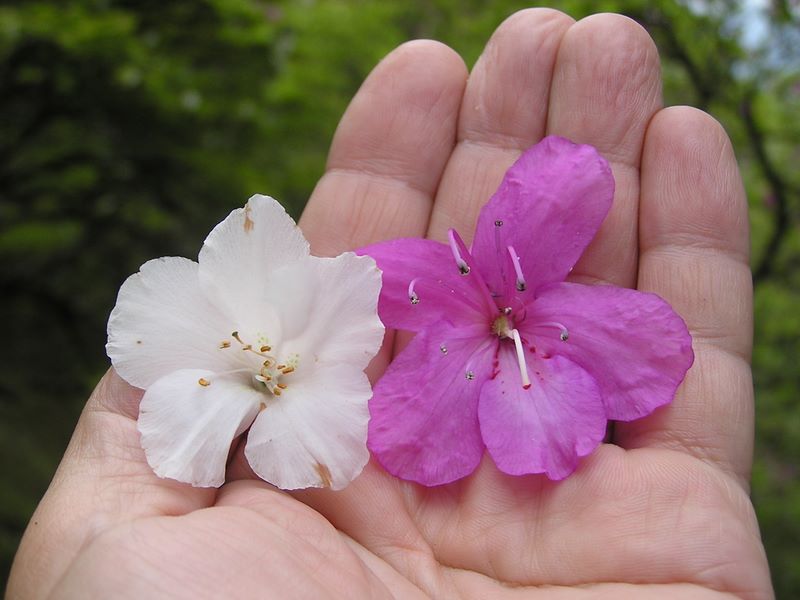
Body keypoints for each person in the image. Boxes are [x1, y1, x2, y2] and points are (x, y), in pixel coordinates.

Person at [6, 8, 773, 599]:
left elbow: (620, 330)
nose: (503, 323)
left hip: (514, 345)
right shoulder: (401, 283)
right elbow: (394, 374)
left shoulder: (527, 265)